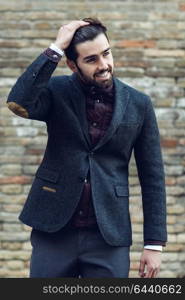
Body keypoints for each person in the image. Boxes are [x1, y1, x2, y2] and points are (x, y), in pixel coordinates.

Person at [7, 17, 167, 278]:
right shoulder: (56, 91)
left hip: (109, 235)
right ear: (72, 65)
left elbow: (153, 178)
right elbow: (18, 101)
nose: (104, 65)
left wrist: (154, 243)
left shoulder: (140, 104)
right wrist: (56, 47)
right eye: (91, 60)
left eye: (106, 53)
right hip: (53, 231)